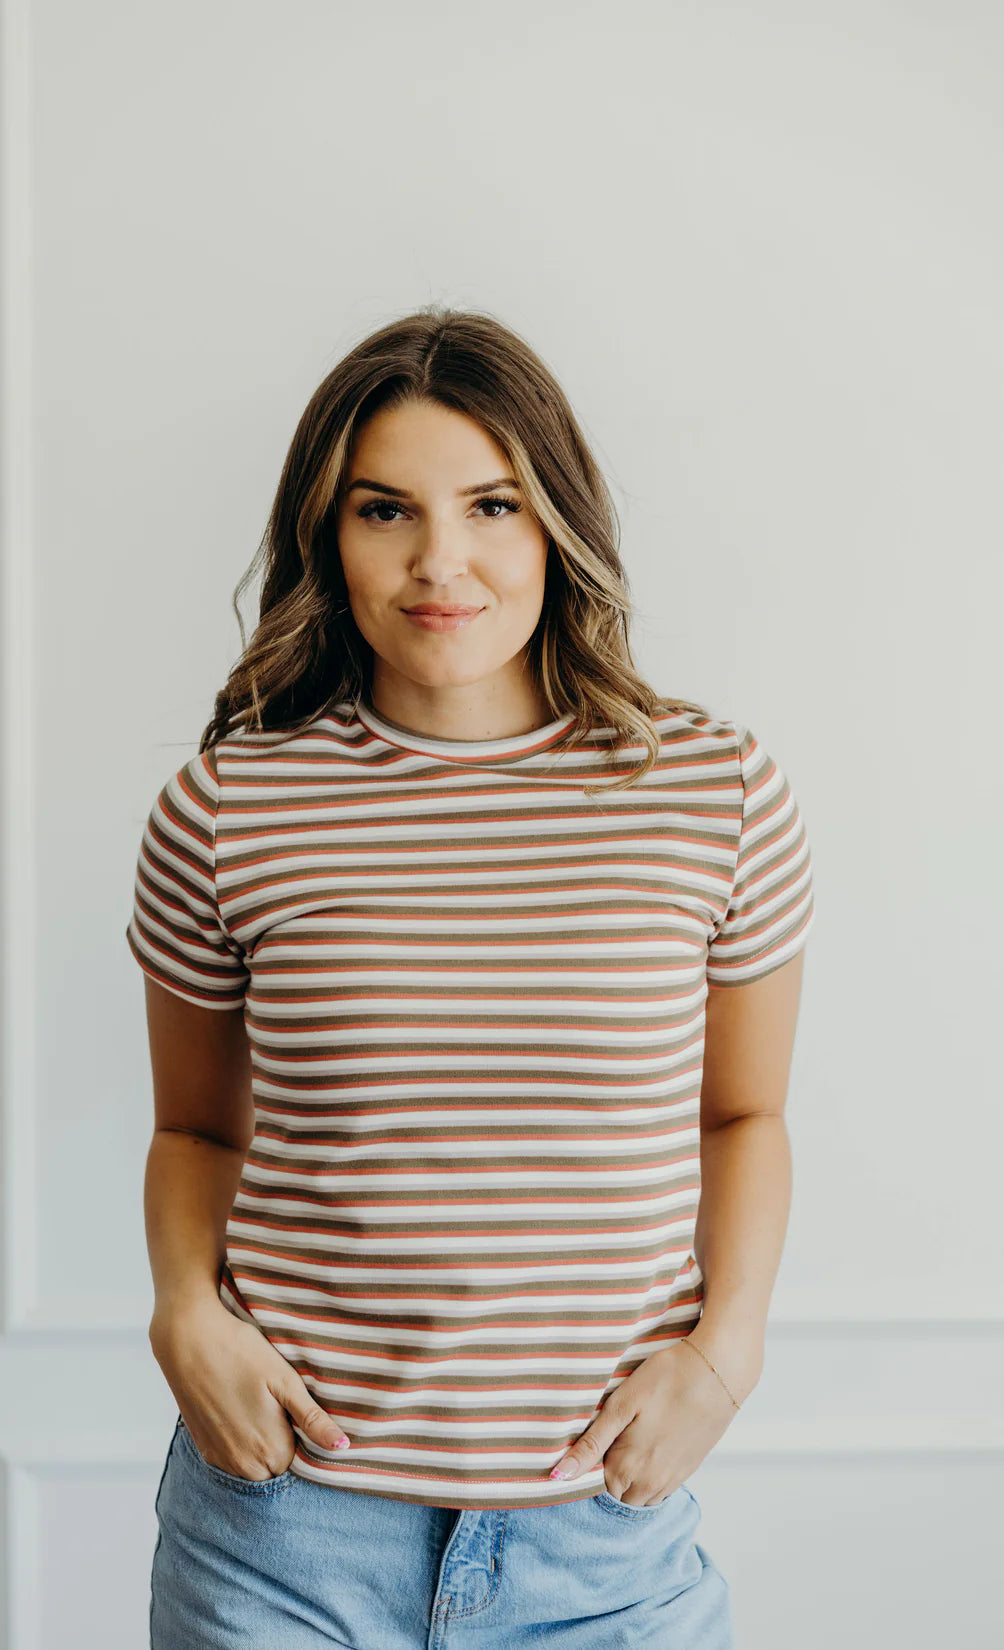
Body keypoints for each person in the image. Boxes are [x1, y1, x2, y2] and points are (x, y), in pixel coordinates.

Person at [126, 306, 815, 1648]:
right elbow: (196, 1126)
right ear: (327, 534)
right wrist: (181, 1317)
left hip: (602, 1547)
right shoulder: (228, 809)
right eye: (386, 510)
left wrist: (725, 1354)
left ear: (557, 518)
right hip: (283, 1535)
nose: (443, 559)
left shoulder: (715, 792)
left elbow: (745, 1117)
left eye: (492, 503)